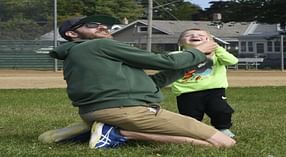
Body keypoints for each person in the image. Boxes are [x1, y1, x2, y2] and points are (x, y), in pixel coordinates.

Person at [44, 15, 236, 149]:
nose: (103, 27)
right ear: (72, 34)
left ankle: (100, 128)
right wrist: (199, 50)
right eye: (93, 25)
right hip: (127, 111)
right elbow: (164, 61)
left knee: (205, 138)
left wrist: (187, 66)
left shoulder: (77, 54)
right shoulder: (100, 45)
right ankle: (119, 133)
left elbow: (150, 82)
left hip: (94, 112)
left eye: (104, 24)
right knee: (225, 143)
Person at [171, 28, 238, 138]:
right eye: (189, 35)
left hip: (214, 90)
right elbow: (171, 64)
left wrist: (216, 49)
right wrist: (194, 53)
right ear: (180, 42)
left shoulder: (217, 55)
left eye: (201, 35)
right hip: (187, 92)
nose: (195, 36)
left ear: (211, 41)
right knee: (190, 115)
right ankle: (193, 132)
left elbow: (232, 61)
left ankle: (222, 128)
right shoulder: (176, 55)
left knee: (221, 110)